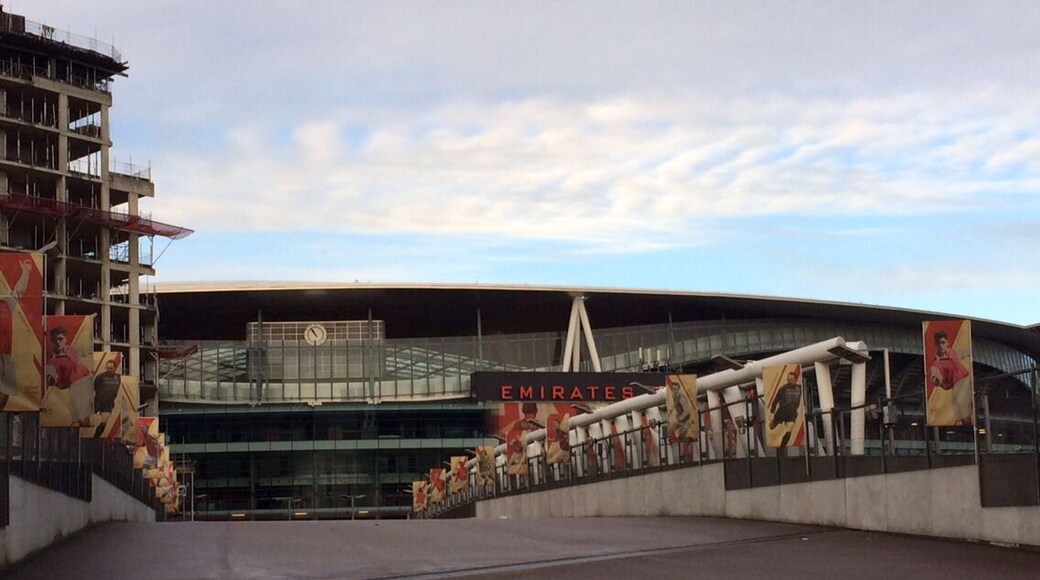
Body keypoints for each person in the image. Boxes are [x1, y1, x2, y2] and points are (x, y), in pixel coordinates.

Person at [46, 326, 93, 425]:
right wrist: (51, 379)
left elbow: (86, 351)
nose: (58, 342)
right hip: (75, 386)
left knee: (84, 418)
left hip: (88, 381)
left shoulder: (71, 349)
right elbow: (52, 380)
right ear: (51, 341)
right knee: (81, 419)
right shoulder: (53, 361)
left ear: (65, 339)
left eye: (60, 339)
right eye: (55, 340)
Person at [0, 258, 32, 402]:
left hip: (6, 355)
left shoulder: (6, 304)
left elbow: (19, 290)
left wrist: (25, 272)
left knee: (6, 391)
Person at [929, 330, 973, 425]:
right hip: (957, 384)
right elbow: (936, 377)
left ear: (947, 343)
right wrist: (936, 380)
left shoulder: (952, 352)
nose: (941, 345)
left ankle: (967, 423)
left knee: (962, 406)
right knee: (960, 408)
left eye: (943, 342)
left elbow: (966, 352)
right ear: (935, 345)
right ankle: (967, 425)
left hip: (965, 379)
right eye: (938, 343)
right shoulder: (936, 363)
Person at [769, 371, 802, 447]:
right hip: (782, 412)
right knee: (772, 427)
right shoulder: (782, 389)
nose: (790, 381)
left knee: (789, 430)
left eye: (792, 379)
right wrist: (772, 415)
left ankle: (782, 446)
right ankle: (772, 423)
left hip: (792, 413)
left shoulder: (799, 388)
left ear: (795, 379)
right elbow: (775, 402)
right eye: (789, 379)